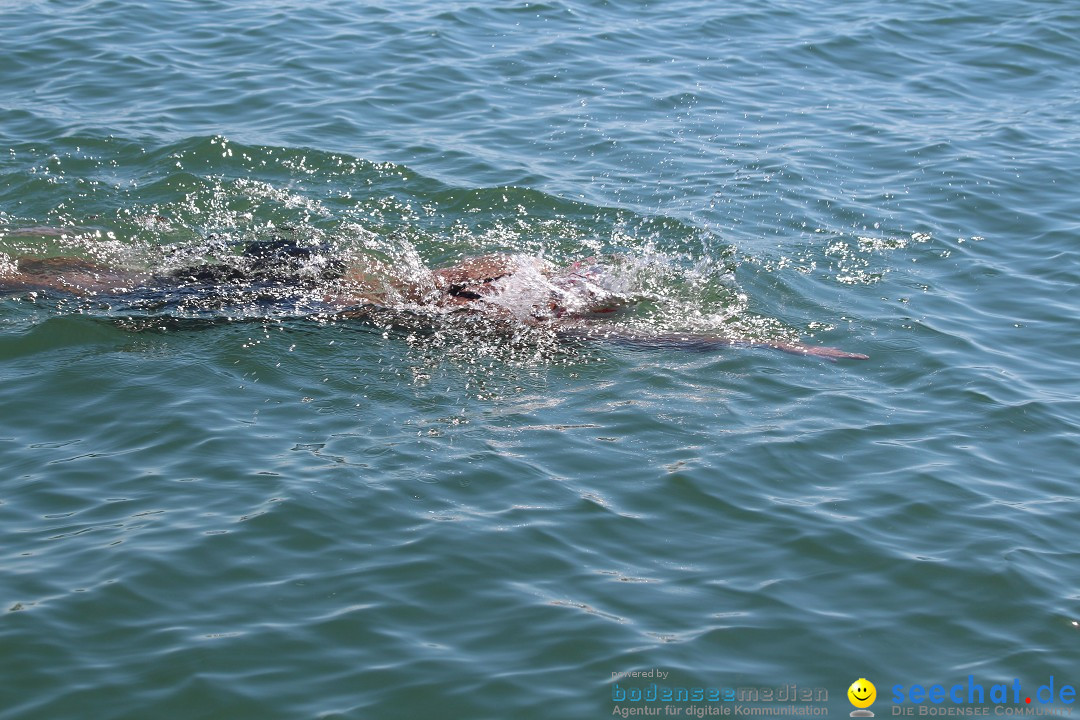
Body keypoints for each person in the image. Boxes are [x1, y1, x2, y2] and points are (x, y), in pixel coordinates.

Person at [0, 238, 868, 360]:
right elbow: (665, 343)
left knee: (115, 280)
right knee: (112, 298)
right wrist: (779, 348)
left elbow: (652, 335)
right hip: (298, 300)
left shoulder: (502, 274)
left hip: (309, 266)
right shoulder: (496, 314)